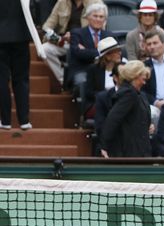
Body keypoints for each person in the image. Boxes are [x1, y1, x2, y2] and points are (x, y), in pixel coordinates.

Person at [41, 0, 103, 86]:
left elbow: (99, 28)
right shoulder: (62, 2)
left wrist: (76, 37)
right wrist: (59, 40)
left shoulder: (96, 3)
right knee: (44, 49)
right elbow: (46, 27)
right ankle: (64, 80)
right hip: (65, 42)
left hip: (85, 42)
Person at [100, 60, 153, 158]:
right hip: (131, 150)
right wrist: (104, 145)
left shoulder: (139, 94)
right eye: (143, 76)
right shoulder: (128, 94)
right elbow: (113, 119)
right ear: (135, 76)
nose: (145, 80)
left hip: (141, 147)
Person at [0, 0, 35, 130]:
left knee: (2, 81)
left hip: (1, 39)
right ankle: (24, 120)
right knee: (21, 80)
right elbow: (32, 10)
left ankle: (5, 121)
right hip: (21, 37)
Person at [67, 3, 113, 89]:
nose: (98, 19)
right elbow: (78, 54)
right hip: (83, 70)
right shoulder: (77, 33)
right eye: (95, 16)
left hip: (104, 70)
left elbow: (114, 54)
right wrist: (104, 53)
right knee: (85, 83)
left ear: (105, 20)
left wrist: (87, 51)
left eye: (101, 17)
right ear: (88, 17)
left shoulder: (109, 35)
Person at [85, 37, 123, 119]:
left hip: (119, 102)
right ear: (107, 56)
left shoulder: (123, 68)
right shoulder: (93, 69)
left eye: (119, 50)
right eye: (116, 52)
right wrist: (107, 97)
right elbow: (89, 92)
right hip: (99, 103)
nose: (119, 53)